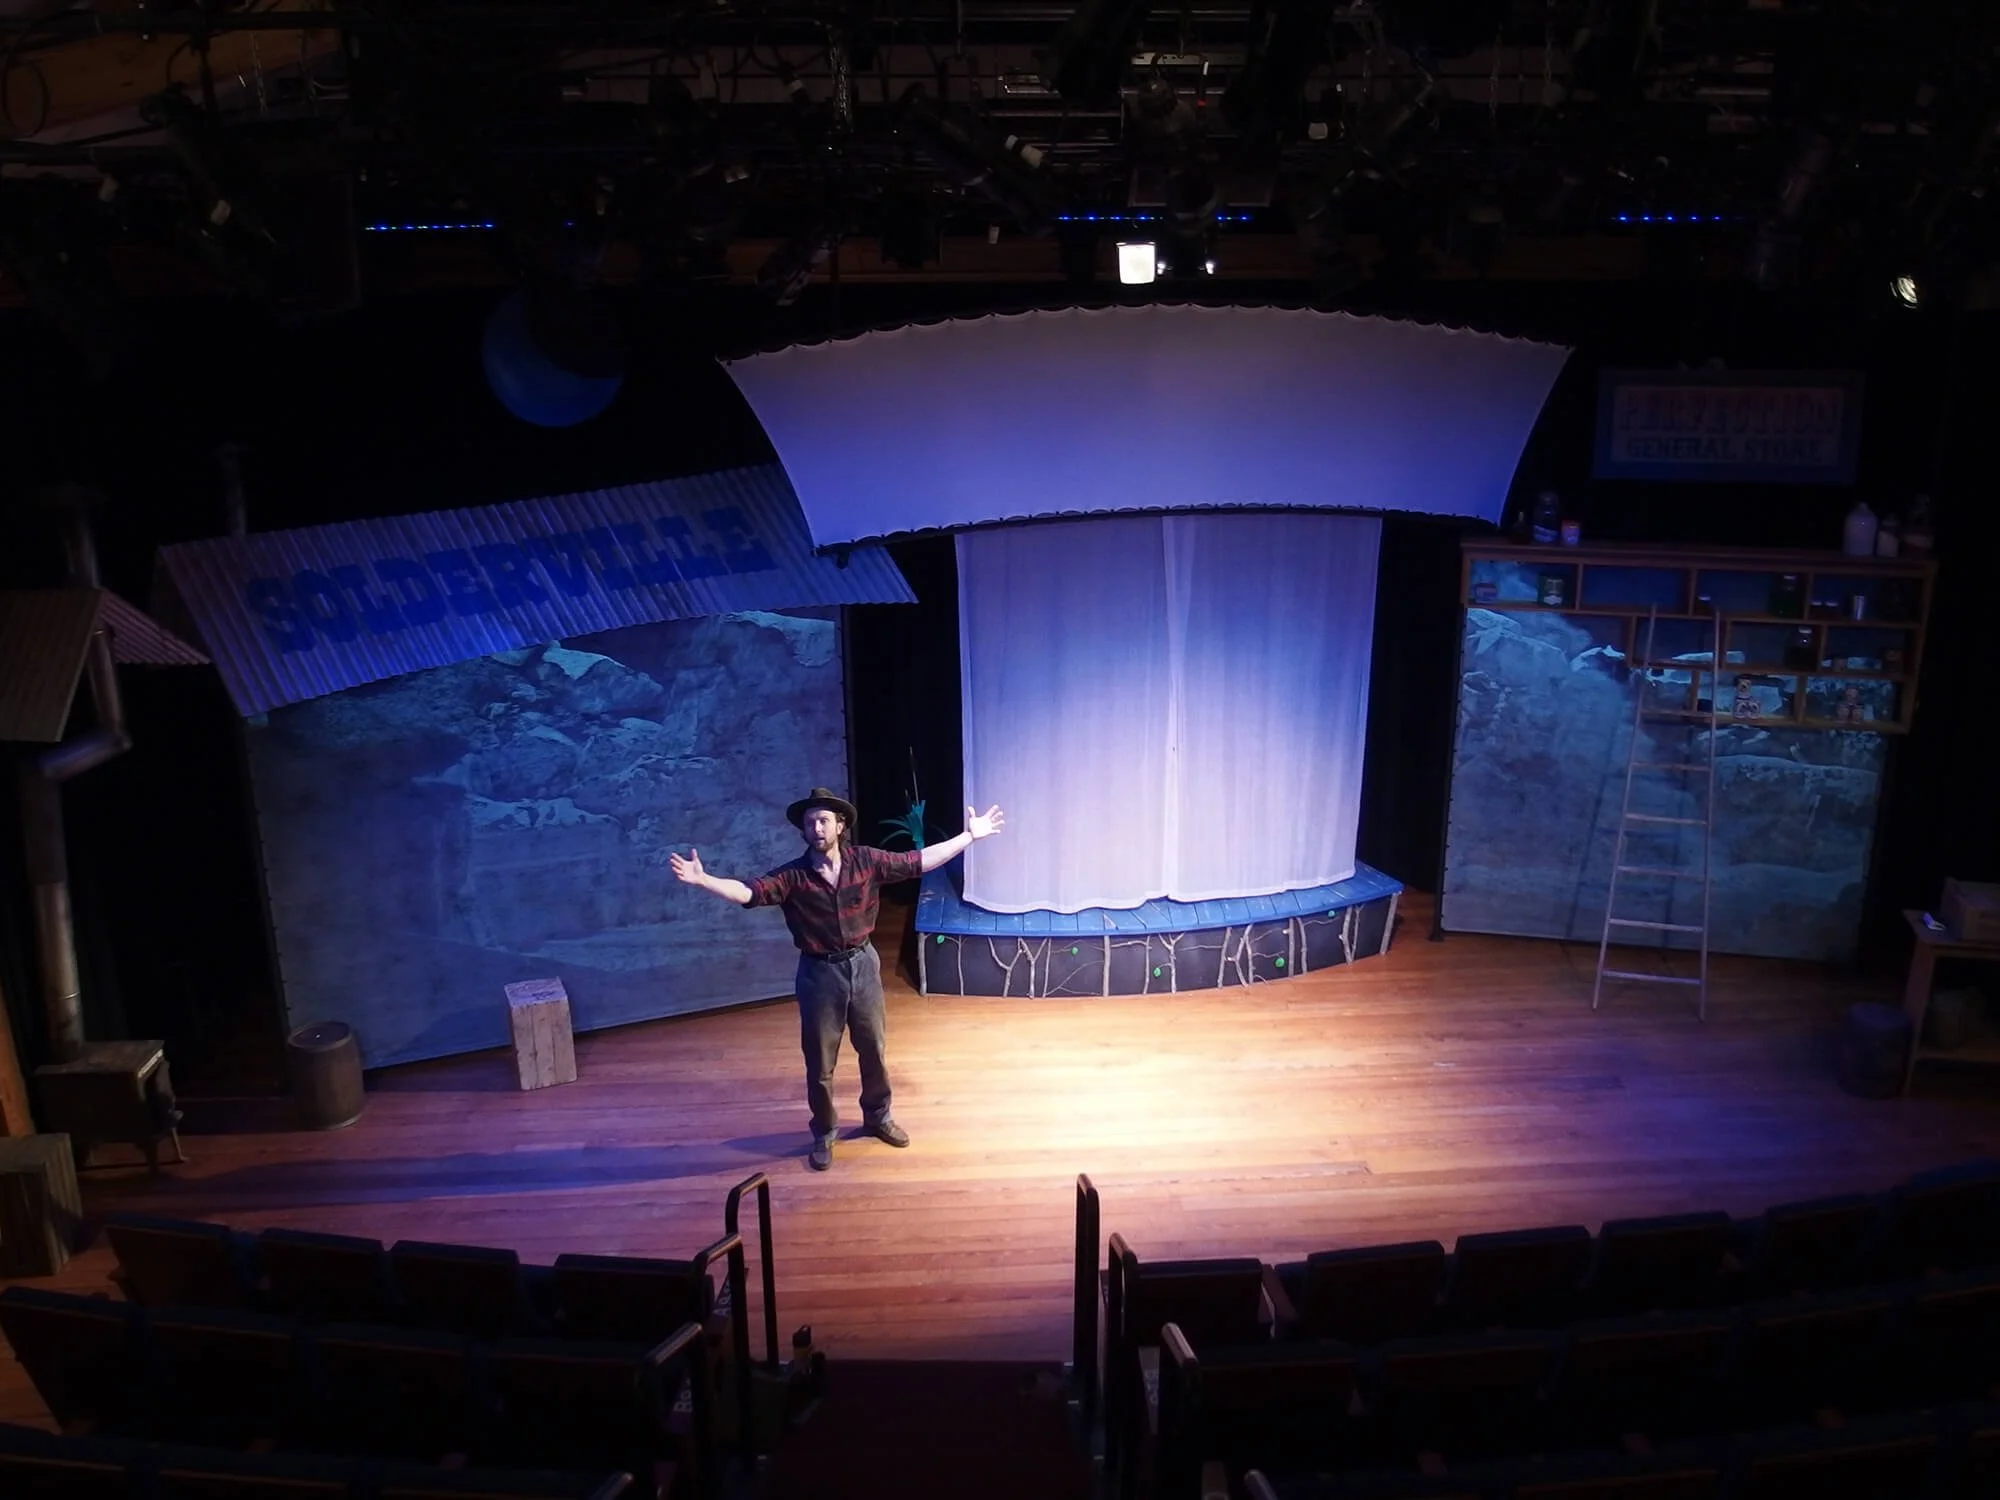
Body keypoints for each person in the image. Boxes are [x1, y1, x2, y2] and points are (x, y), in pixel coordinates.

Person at [669, 788, 1005, 1171]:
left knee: (874, 1049)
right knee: (820, 1062)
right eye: (810, 822)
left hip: (863, 964)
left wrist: (969, 837)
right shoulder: (792, 877)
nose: (816, 827)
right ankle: (824, 1131)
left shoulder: (866, 861)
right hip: (818, 973)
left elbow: (918, 861)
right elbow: (749, 892)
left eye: (824, 820)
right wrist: (704, 880)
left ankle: (878, 1117)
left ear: (840, 825)